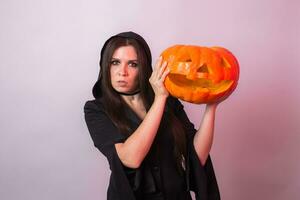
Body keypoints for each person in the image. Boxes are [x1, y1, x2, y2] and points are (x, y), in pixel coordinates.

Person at [84, 31, 220, 200]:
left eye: (133, 64)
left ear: (144, 68)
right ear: (105, 65)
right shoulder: (96, 109)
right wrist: (160, 98)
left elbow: (197, 156)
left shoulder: (170, 103)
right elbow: (130, 158)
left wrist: (211, 106)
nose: (122, 72)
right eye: (115, 62)